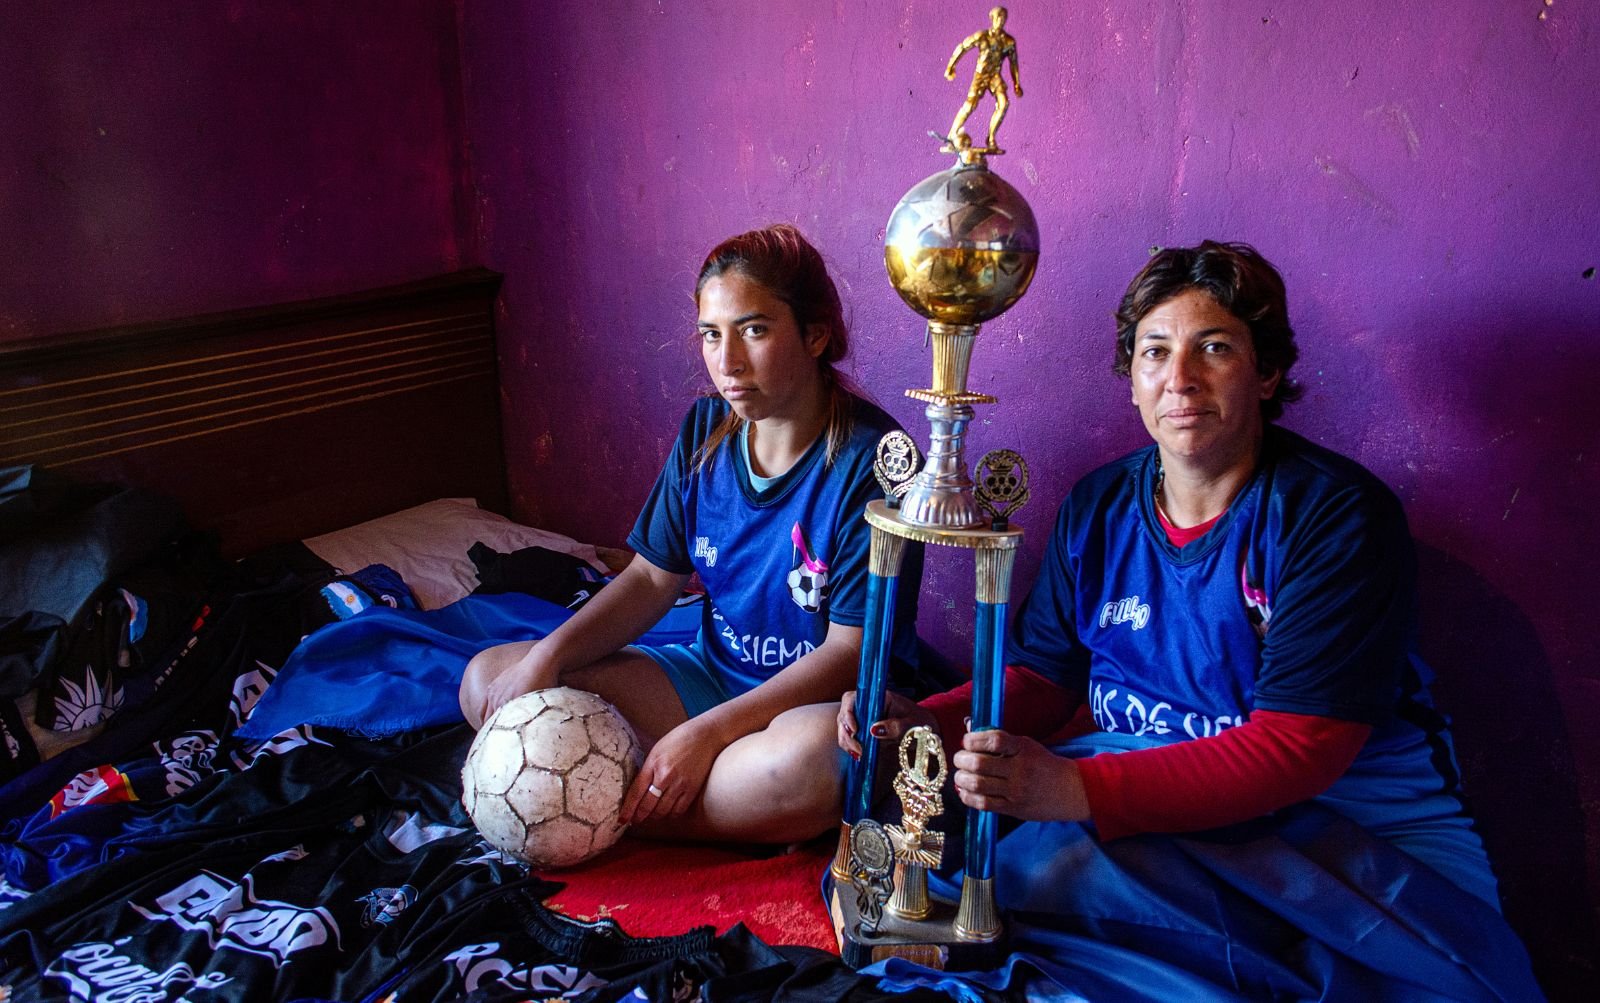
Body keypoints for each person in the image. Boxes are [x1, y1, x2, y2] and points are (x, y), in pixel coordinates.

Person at [838, 241, 1540, 999]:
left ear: (1267, 374)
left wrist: (1075, 791)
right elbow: (1043, 678)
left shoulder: (1334, 518)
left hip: (1353, 835)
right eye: (1155, 352)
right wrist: (922, 724)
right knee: (897, 868)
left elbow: (1299, 749)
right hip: (1152, 802)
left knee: (1027, 884)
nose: (1180, 378)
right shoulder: (1099, 506)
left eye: (1214, 348)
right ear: (1132, 380)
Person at [461, 223, 920, 845]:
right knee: (491, 678)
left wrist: (705, 737)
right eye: (711, 334)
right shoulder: (706, 430)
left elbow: (847, 655)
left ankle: (617, 815)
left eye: (754, 330)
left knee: (820, 761)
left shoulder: (879, 462)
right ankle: (680, 805)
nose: (726, 362)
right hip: (704, 677)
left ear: (815, 334)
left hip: (804, 710)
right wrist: (547, 658)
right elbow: (652, 579)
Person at [945, 6, 1022, 150]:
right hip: (981, 75)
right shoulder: (982, 36)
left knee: (1003, 103)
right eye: (998, 17)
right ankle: (951, 135)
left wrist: (1016, 83)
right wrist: (951, 66)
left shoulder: (1008, 41)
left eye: (1003, 18)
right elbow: (963, 47)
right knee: (969, 106)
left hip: (994, 76)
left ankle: (991, 138)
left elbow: (1013, 63)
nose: (1001, 21)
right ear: (992, 19)